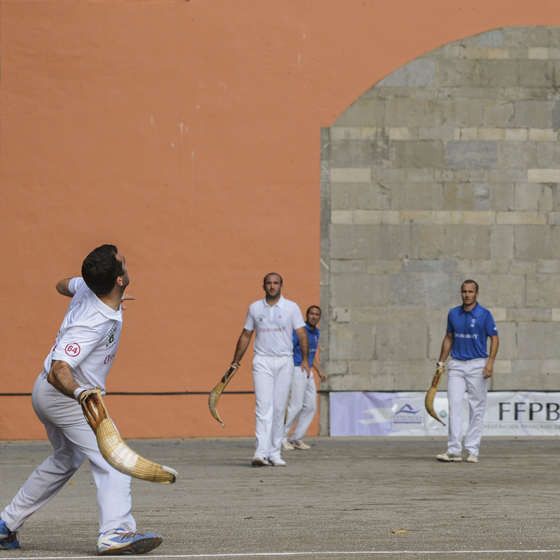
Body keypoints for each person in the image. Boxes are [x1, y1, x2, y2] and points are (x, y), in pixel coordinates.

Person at [0, 245, 163, 555]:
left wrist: (104, 296)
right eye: (123, 263)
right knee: (114, 458)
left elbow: (63, 284)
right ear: (119, 280)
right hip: (65, 395)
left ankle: (6, 524)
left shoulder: (90, 288)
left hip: (46, 392)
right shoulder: (91, 323)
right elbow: (59, 369)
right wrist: (80, 394)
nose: (127, 265)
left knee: (66, 459)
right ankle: (115, 532)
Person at [232, 273, 309, 467]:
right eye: (269, 283)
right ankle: (260, 453)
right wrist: (236, 361)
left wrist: (306, 360)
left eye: (276, 283)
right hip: (262, 361)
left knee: (278, 408)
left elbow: (302, 334)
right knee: (263, 407)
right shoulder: (255, 307)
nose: (272, 286)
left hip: (284, 361)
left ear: (281, 285)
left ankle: (274, 453)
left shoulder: (292, 307)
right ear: (264, 286)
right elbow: (246, 334)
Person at [436, 280, 499, 464]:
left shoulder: (485, 314)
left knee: (476, 408)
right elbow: (449, 337)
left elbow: (494, 338)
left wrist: (491, 362)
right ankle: (454, 451)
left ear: (477, 294)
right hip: (456, 364)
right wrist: (441, 362)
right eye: (464, 291)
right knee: (454, 405)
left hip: (477, 365)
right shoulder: (453, 313)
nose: (467, 295)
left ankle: (472, 450)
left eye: (471, 292)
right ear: (461, 293)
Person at [282, 306, 326, 451]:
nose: (314, 316)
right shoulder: (299, 331)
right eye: (311, 314)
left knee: (311, 406)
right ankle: (280, 438)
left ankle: (295, 438)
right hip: (297, 369)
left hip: (308, 372)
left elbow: (310, 354)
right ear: (306, 316)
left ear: (320, 317)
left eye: (317, 314)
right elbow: (288, 349)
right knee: (296, 406)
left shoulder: (316, 333)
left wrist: (319, 370)